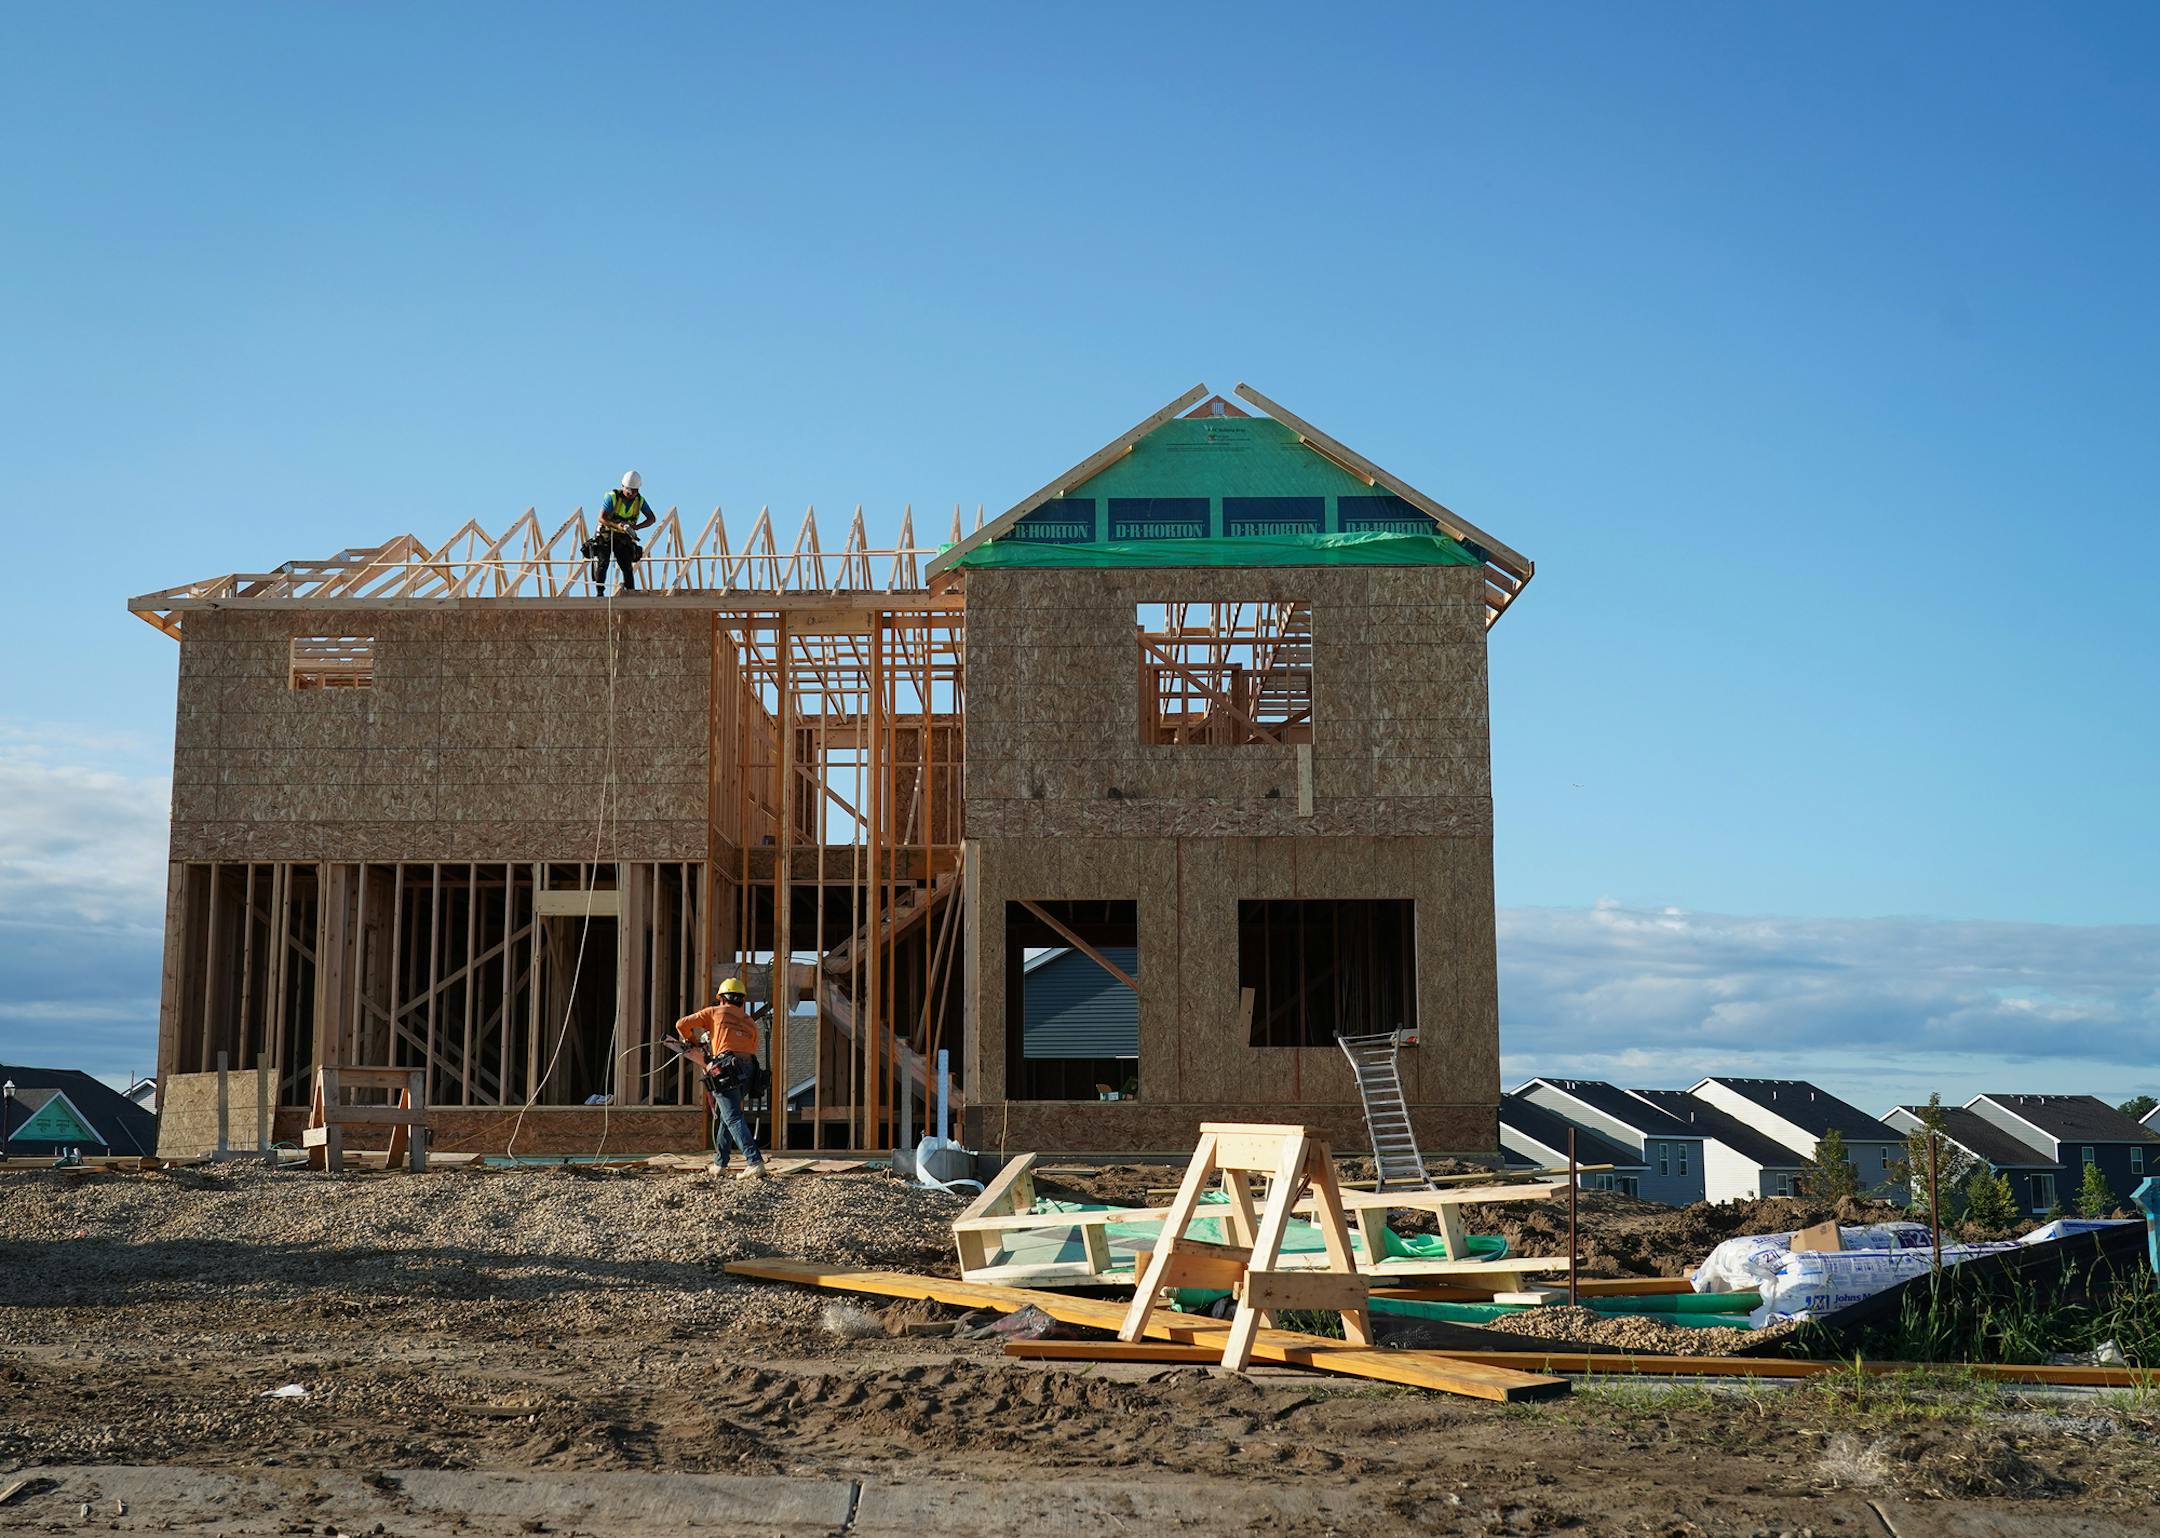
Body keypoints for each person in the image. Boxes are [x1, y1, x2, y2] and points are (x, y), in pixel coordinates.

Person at [674, 977, 769, 1179]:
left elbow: (682, 1024)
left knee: (732, 1116)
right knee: (728, 1116)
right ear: (742, 1001)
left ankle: (754, 1161)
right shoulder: (750, 1022)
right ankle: (720, 1163)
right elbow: (750, 1048)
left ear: (721, 999)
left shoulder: (715, 1012)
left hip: (726, 1068)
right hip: (749, 1069)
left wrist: (694, 1042)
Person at [588, 470, 658, 594]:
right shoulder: (612, 497)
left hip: (623, 537)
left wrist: (636, 527)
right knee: (603, 563)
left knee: (626, 565)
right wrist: (617, 525)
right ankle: (600, 593)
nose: (631, 495)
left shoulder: (639, 501)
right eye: (629, 492)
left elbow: (651, 519)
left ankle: (630, 592)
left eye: (634, 492)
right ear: (623, 487)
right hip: (606, 534)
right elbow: (601, 518)